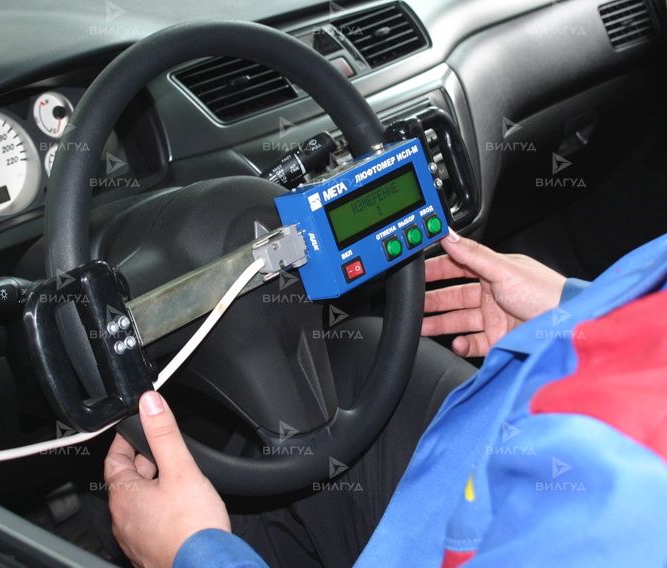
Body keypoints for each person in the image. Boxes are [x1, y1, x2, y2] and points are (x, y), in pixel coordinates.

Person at [104, 229, 667, 568]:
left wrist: (194, 550)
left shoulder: (629, 507)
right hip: (508, 452)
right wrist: (582, 316)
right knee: (360, 359)